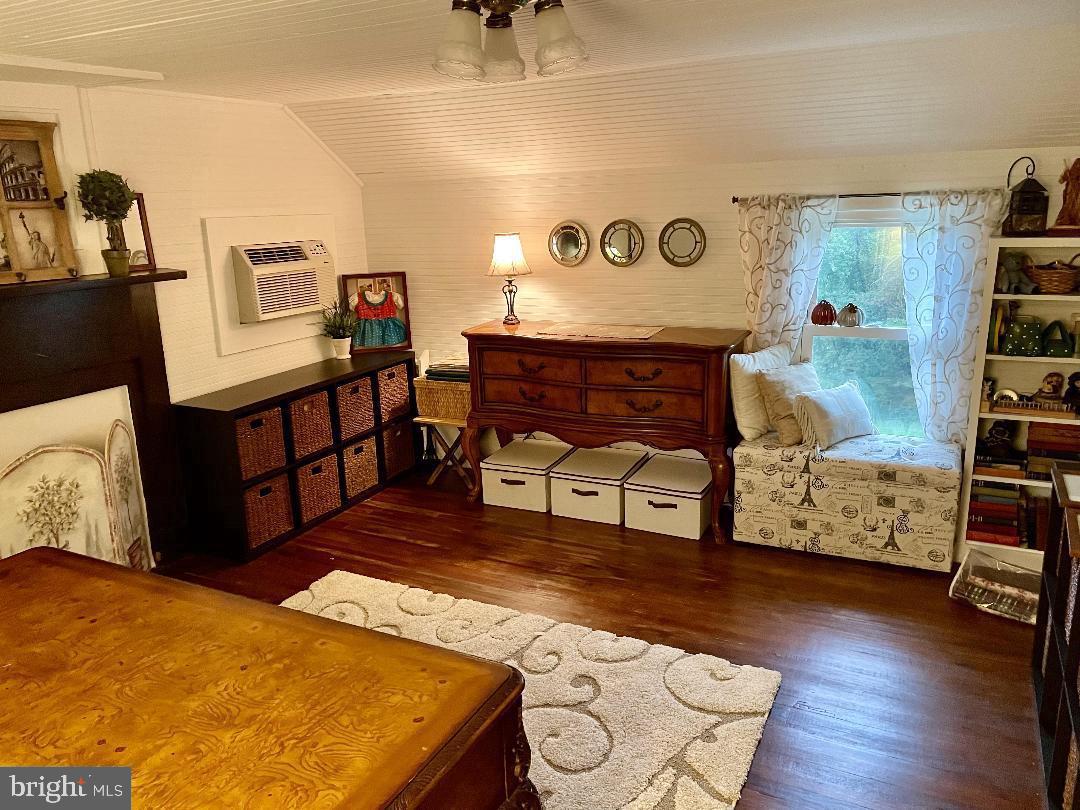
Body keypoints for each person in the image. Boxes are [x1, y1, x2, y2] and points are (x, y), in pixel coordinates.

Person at [351, 278, 407, 348]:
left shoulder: (392, 296)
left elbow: (402, 304)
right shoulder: (357, 297)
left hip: (390, 331)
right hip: (365, 331)